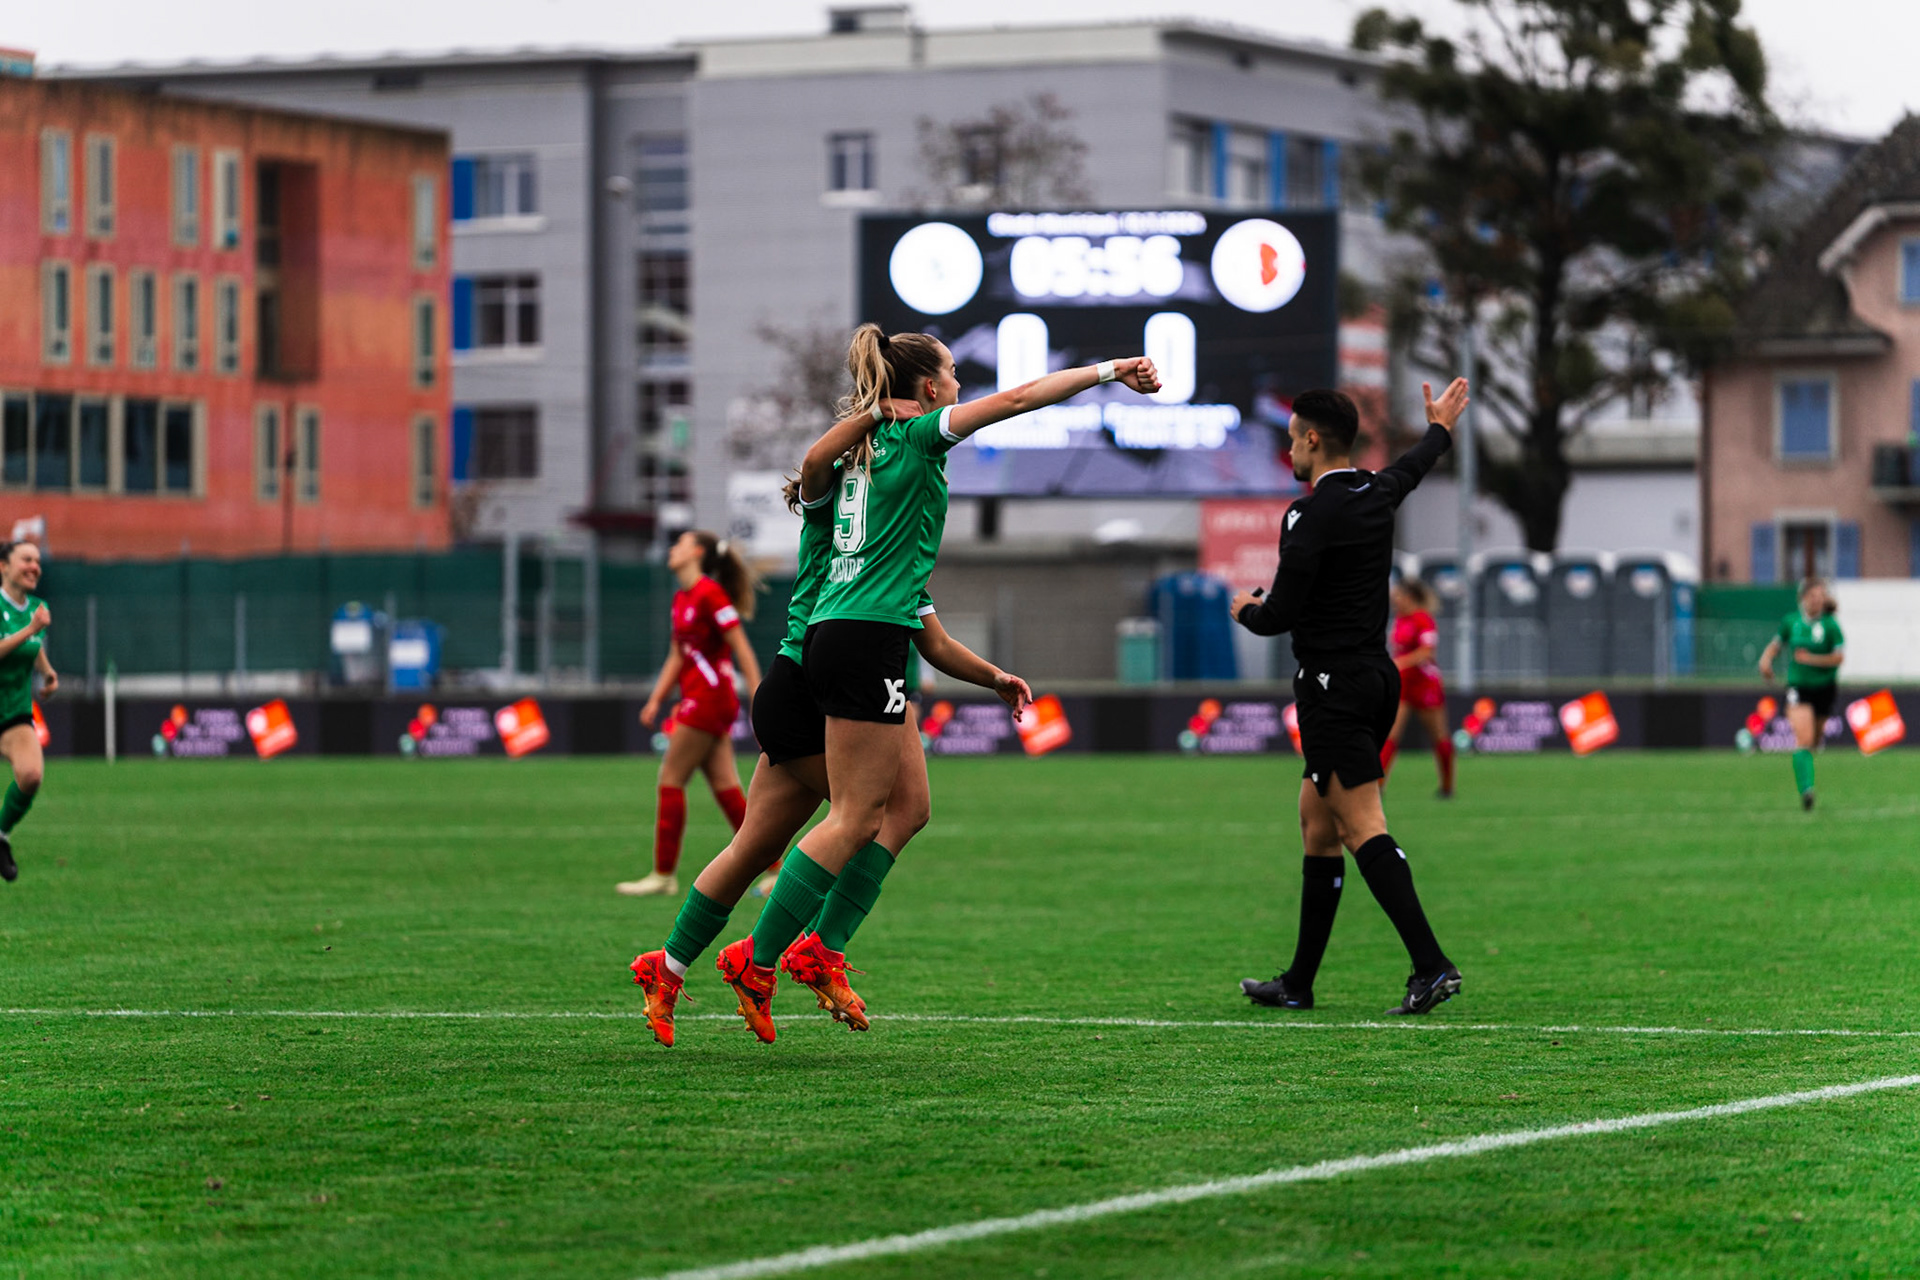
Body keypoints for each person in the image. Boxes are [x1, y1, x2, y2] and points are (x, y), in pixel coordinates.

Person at [711, 324, 1159, 1042]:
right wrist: (1109, 370)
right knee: (856, 818)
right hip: (860, 641)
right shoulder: (918, 438)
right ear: (927, 388)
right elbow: (1019, 398)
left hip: (855, 634)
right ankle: (760, 958)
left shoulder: (869, 454)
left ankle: (813, 951)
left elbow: (906, 591)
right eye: (951, 373)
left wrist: (989, 675)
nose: (958, 384)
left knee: (907, 810)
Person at [629, 465, 1032, 1046]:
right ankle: (794, 953)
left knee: (762, 843)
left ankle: (666, 968)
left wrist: (993, 676)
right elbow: (823, 465)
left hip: (816, 685)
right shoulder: (855, 526)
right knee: (873, 817)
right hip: (822, 687)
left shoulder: (885, 545)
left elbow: (933, 639)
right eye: (947, 369)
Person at [1230, 382, 1469, 1016]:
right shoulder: (1377, 490)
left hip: (1332, 686)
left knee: (1363, 825)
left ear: (1312, 438)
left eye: (1291, 439)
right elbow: (1415, 465)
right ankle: (1299, 982)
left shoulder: (1308, 513)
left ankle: (1431, 964)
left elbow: (1280, 613)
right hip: (1375, 678)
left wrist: (1246, 611)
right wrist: (1440, 429)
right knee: (1318, 821)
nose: (1288, 452)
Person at [616, 531, 763, 897]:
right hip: (699, 699)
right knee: (726, 788)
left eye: (679, 543)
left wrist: (760, 698)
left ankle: (663, 874)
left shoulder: (711, 595)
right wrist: (656, 698)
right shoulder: (681, 598)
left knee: (670, 778)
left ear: (697, 552)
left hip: (710, 700)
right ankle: (774, 866)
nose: (672, 549)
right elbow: (677, 655)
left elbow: (741, 648)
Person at [1758, 577, 1843, 811]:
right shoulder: (1791, 622)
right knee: (1803, 741)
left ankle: (1807, 778)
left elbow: (1838, 658)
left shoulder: (1830, 625)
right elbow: (1776, 645)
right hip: (1798, 687)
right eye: (1813, 596)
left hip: (1825, 688)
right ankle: (1807, 791)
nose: (1817, 600)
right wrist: (1765, 661)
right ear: (1803, 598)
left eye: (1820, 596)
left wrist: (1811, 659)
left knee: (1814, 742)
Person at [0, 541, 55, 884]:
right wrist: (31, 630)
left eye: (37, 560)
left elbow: (33, 649)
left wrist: (48, 673)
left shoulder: (37, 608)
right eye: (26, 559)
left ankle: (0, 836)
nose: (34, 565)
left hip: (13, 713)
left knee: (31, 775)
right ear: (4, 567)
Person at [1380, 579, 1455, 798]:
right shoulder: (1400, 620)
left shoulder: (1424, 620)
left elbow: (1427, 652)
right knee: (1390, 734)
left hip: (1425, 684)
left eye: (1398, 597)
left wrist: (1399, 664)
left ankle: (1447, 786)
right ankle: (1378, 784)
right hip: (1403, 685)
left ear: (1409, 597)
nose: (1395, 601)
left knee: (1439, 737)